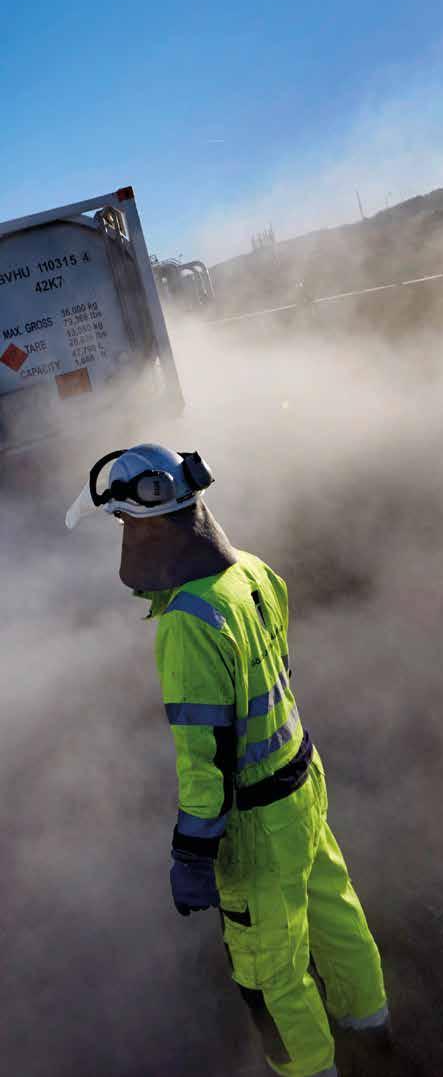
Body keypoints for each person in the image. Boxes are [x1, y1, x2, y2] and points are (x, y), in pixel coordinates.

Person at [66, 443, 390, 1077]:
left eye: (125, 522)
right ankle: (372, 1030)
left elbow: (204, 757)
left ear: (146, 522)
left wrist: (193, 853)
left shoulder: (187, 624)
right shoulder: (251, 573)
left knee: (268, 970)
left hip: (257, 822)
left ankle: (309, 1068)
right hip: (302, 785)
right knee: (333, 910)